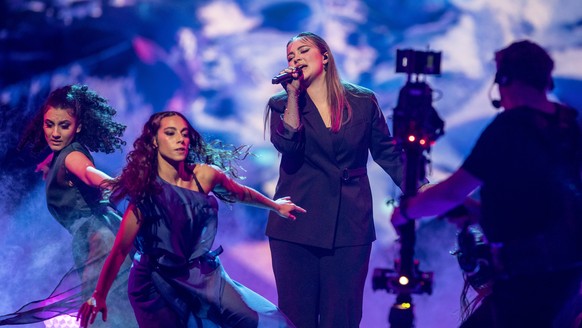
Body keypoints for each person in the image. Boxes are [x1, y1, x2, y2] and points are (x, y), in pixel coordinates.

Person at [391, 40, 582, 327]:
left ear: (504, 79)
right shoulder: (568, 127)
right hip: (568, 282)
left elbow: (452, 192)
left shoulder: (510, 128)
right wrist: (481, 213)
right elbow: (549, 206)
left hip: (528, 286)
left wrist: (406, 211)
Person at [77, 111, 305, 328]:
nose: (180, 140)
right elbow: (119, 250)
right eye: (171, 133)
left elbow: (239, 192)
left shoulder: (205, 176)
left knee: (254, 319)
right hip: (154, 282)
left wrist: (275, 206)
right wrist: (99, 294)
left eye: (185, 134)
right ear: (154, 141)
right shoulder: (146, 191)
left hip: (199, 274)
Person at [264, 31, 407, 328]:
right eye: (290, 56)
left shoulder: (363, 101)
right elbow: (288, 144)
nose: (296, 59)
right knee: (296, 318)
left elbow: (386, 153)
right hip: (296, 222)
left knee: (342, 317)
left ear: (325, 56)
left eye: (303, 51)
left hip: (350, 223)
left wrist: (420, 186)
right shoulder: (281, 103)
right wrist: (292, 93)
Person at [1, 84, 137, 327]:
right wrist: (48, 164)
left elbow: (86, 172)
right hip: (97, 235)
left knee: (102, 314)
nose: (54, 133)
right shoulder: (61, 154)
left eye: (64, 126)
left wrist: (109, 182)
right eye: (49, 124)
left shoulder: (72, 156)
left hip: (100, 238)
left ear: (78, 127)